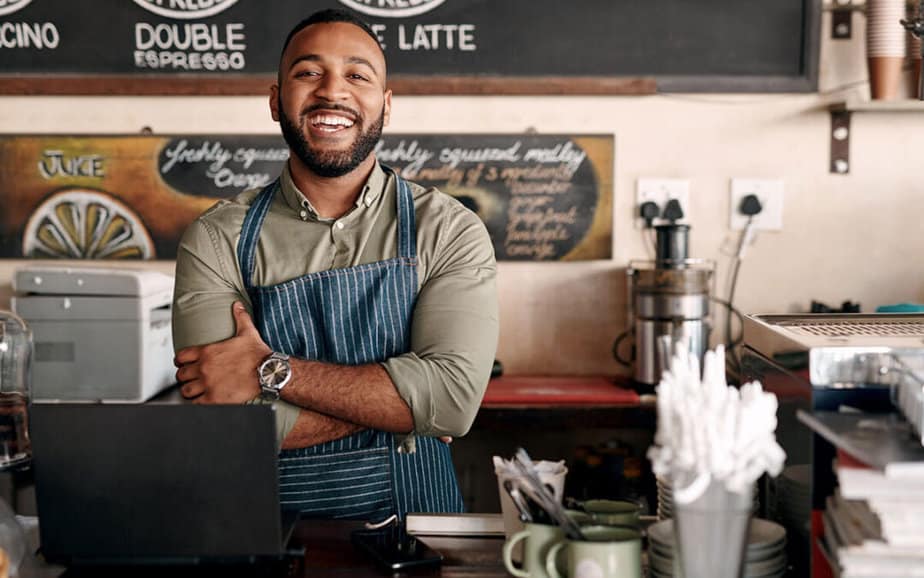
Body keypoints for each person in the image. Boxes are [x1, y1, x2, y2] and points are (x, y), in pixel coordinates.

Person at [171, 8, 498, 522]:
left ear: (385, 106)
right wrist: (404, 408)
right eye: (307, 73)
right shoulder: (216, 238)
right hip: (262, 533)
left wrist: (267, 371)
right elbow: (226, 426)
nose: (332, 91)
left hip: (417, 536)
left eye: (357, 75)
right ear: (276, 101)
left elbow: (453, 403)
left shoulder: (450, 230)